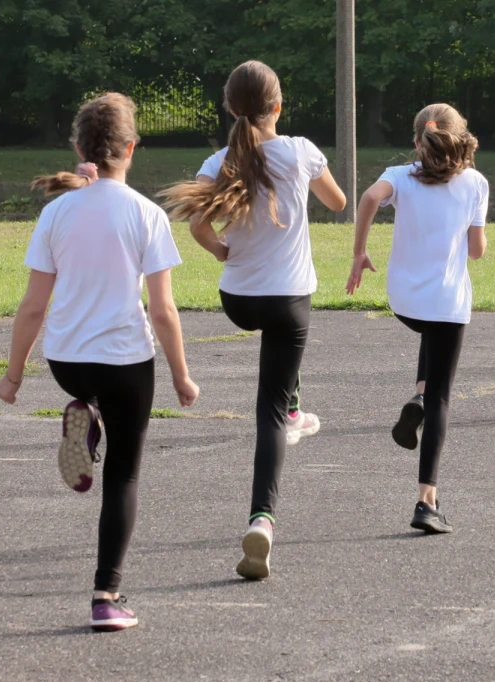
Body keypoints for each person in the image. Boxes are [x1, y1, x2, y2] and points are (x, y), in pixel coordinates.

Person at [0, 93, 198, 632]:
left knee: (91, 396)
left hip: (66, 361)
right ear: (130, 148)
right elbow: (163, 310)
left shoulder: (56, 213)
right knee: (123, 475)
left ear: (79, 149)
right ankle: (106, 595)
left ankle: (85, 415)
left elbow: (33, 306)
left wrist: (13, 376)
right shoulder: (147, 215)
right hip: (125, 362)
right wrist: (180, 375)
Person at [159, 60, 346, 580]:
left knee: (282, 368)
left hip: (238, 299)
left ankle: (295, 410)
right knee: (271, 411)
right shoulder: (301, 151)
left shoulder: (220, 160)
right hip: (288, 301)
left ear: (230, 107)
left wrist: (223, 251)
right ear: (278, 106)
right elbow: (337, 202)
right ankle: (262, 519)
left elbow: (197, 226)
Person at [347, 103, 489, 535]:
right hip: (446, 303)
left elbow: (369, 198)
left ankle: (419, 394)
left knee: (431, 330)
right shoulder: (475, 183)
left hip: (404, 301)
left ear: (417, 141)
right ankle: (427, 500)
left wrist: (359, 252)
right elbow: (476, 251)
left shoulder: (398, 175)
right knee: (442, 397)